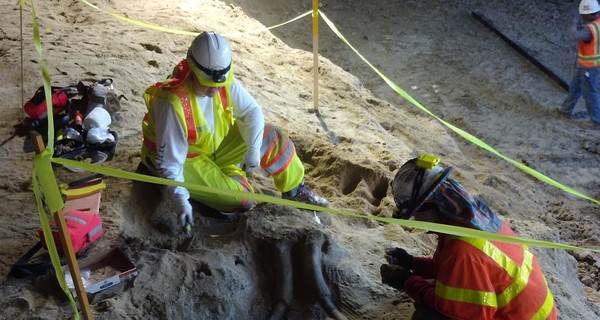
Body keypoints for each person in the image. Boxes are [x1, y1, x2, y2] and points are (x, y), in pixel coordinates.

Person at [139, 31, 328, 230]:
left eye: (218, 85)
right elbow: (169, 164)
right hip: (185, 160)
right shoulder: (173, 103)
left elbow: (251, 111)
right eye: (208, 85)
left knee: (270, 135)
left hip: (212, 149)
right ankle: (230, 174)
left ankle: (295, 191)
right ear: (193, 71)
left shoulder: (222, 79)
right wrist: (180, 200)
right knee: (242, 200)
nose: (214, 90)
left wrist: (253, 149)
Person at [380, 155, 557, 320]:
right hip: (536, 313)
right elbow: (455, 274)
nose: (416, 220)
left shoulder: (461, 251)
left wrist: (407, 282)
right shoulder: (476, 222)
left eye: (415, 213)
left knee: (427, 315)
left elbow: (460, 311)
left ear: (433, 206)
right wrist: (413, 263)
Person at [558, 0, 600, 129]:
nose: (582, 16)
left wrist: (574, 22)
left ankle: (596, 120)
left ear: (591, 14)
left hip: (590, 66)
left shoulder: (590, 29)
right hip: (587, 65)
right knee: (575, 87)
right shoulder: (597, 24)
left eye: (584, 14)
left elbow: (573, 36)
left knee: (589, 93)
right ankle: (566, 109)